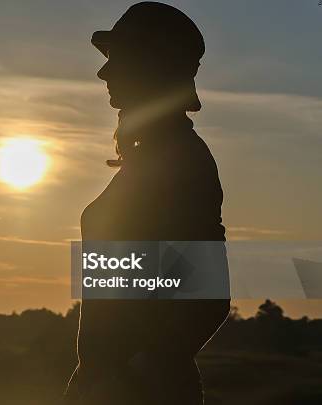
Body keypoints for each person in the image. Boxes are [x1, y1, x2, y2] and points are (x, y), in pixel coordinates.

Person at [64, 2, 231, 404]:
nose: (103, 72)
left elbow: (209, 299)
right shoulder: (155, 157)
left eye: (117, 58)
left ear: (150, 65)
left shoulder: (180, 159)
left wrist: (137, 369)